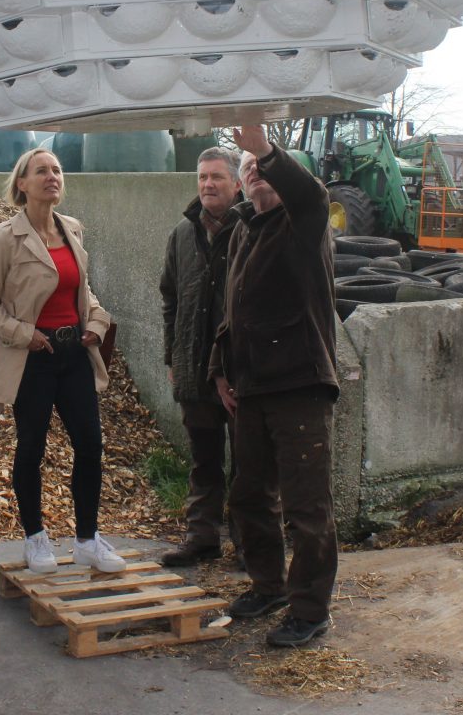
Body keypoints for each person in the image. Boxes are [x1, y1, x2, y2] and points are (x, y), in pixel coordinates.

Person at [209, 124, 339, 648]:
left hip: (299, 384)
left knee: (307, 507)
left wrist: (263, 148)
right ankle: (269, 586)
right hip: (251, 387)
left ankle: (311, 609)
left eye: (263, 168)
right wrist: (221, 369)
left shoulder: (303, 220)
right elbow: (232, 309)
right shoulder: (244, 228)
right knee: (248, 496)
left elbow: (314, 193)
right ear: (242, 185)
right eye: (248, 169)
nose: (256, 175)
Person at [0, 148, 124, 575]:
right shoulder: (5, 237)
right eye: (42, 171)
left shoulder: (72, 229)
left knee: (90, 445)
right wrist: (24, 335)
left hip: (74, 354)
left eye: (56, 170)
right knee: (31, 448)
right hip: (32, 359)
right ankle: (35, 538)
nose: (52, 176)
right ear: (22, 183)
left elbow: (83, 292)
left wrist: (95, 320)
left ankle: (88, 540)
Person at [159, 147, 243, 566]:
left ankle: (251, 546)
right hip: (193, 369)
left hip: (240, 373)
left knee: (250, 466)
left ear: (237, 183)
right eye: (202, 177)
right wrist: (173, 358)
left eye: (217, 178)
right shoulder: (183, 234)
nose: (208, 185)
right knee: (203, 461)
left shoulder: (251, 230)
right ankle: (202, 538)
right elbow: (170, 298)